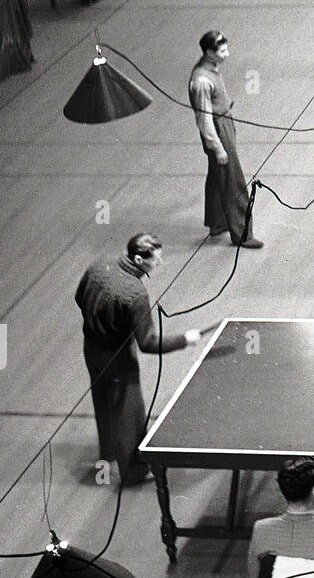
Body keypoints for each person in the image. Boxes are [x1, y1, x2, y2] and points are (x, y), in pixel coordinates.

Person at [75, 233, 201, 485]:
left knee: (102, 399)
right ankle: (133, 472)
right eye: (156, 259)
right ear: (138, 259)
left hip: (91, 347)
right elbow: (148, 342)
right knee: (128, 412)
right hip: (117, 356)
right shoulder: (134, 294)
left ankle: (108, 452)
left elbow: (79, 297)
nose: (160, 263)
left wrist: (99, 321)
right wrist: (185, 339)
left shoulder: (98, 266)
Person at [188, 30, 263, 249]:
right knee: (233, 181)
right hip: (218, 130)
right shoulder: (201, 80)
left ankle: (217, 222)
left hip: (224, 124)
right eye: (222, 51)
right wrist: (217, 147)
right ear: (209, 53)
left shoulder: (209, 69)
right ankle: (242, 234)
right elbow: (204, 119)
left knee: (217, 176)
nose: (226, 54)